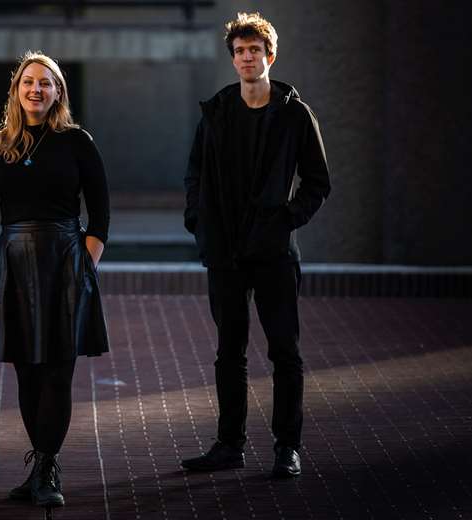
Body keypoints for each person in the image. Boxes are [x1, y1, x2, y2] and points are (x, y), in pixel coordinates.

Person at [181, 12, 330, 478]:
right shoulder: (218, 112)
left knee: (284, 351)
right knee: (230, 352)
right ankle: (230, 445)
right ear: (234, 59)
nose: (248, 58)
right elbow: (195, 175)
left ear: (270, 55)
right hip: (225, 251)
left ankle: (287, 447)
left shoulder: (294, 114)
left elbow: (317, 182)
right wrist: (198, 222)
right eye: (240, 51)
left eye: (255, 50)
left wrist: (285, 221)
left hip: (273, 253)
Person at [0, 51, 109, 508]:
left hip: (65, 259)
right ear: (16, 90)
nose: (36, 89)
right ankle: (39, 468)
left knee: (57, 371)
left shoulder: (77, 142)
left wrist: (83, 266)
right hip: (12, 263)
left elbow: (101, 215)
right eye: (29, 81)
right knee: (26, 372)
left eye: (46, 83)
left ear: (58, 92)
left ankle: (47, 466)